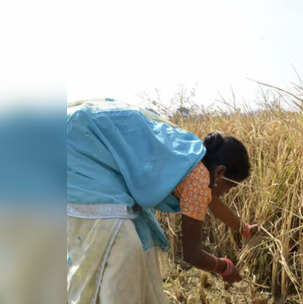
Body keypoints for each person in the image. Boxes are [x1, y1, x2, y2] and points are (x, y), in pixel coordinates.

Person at [66, 99, 258, 304]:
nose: (226, 193)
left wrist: (243, 228)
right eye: (230, 187)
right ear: (220, 173)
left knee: (138, 240)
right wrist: (223, 267)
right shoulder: (199, 180)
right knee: (123, 243)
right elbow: (191, 254)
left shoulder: (193, 157)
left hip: (80, 132)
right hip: (78, 149)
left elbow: (214, 203)